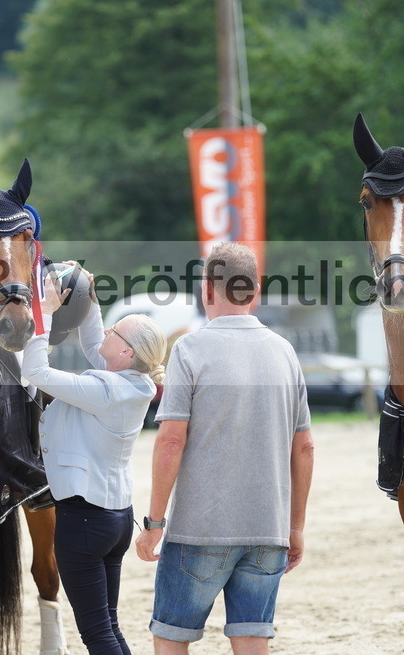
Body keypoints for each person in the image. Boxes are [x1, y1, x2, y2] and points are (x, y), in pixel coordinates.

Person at [135, 242, 314, 654]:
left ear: (207, 290)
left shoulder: (190, 349)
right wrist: (296, 526)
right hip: (268, 528)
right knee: (252, 640)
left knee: (171, 637)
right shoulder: (285, 352)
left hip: (200, 529)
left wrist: (155, 523)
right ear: (256, 290)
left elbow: (171, 440)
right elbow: (304, 447)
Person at [20, 264, 168, 654]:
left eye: (116, 332)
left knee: (97, 635)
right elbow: (93, 344)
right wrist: (88, 295)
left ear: (126, 352)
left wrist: (45, 312)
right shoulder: (134, 382)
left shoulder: (105, 389)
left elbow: (34, 369)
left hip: (84, 521)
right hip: (114, 518)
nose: (107, 332)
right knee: (109, 628)